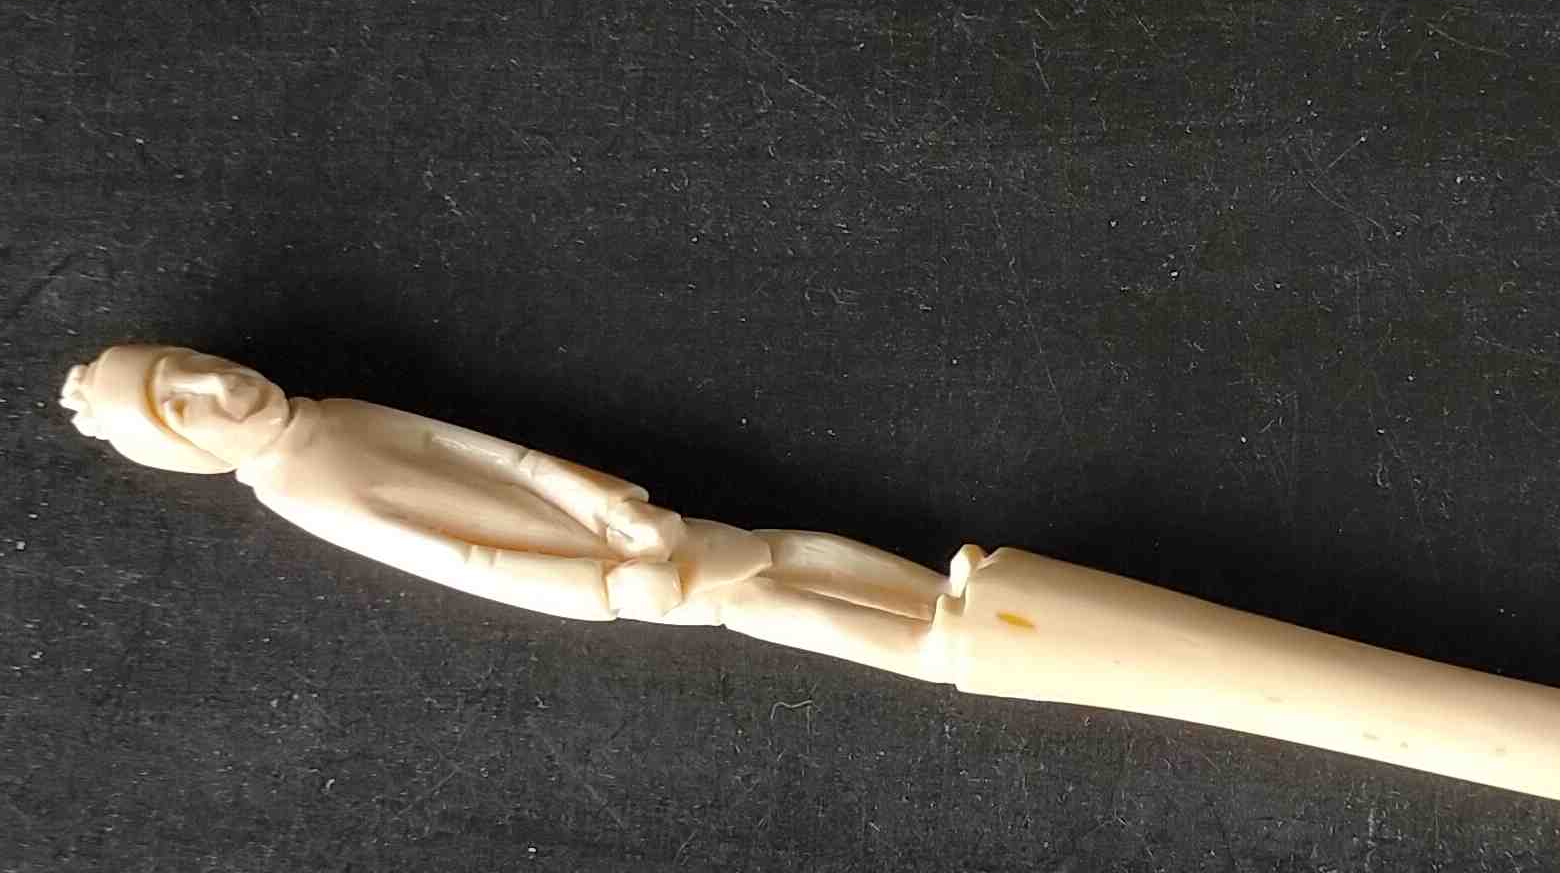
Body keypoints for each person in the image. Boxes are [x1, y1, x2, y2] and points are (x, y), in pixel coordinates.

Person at [61, 344, 947, 679]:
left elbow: (502, 458)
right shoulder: (300, 488)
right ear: (185, 449)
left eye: (191, 364)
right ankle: (936, 648)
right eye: (182, 405)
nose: (217, 385)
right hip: (610, 569)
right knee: (765, 599)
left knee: (784, 551)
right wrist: (604, 589)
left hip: (621, 533)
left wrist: (610, 503)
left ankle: (942, 597)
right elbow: (465, 564)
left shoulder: (336, 415)